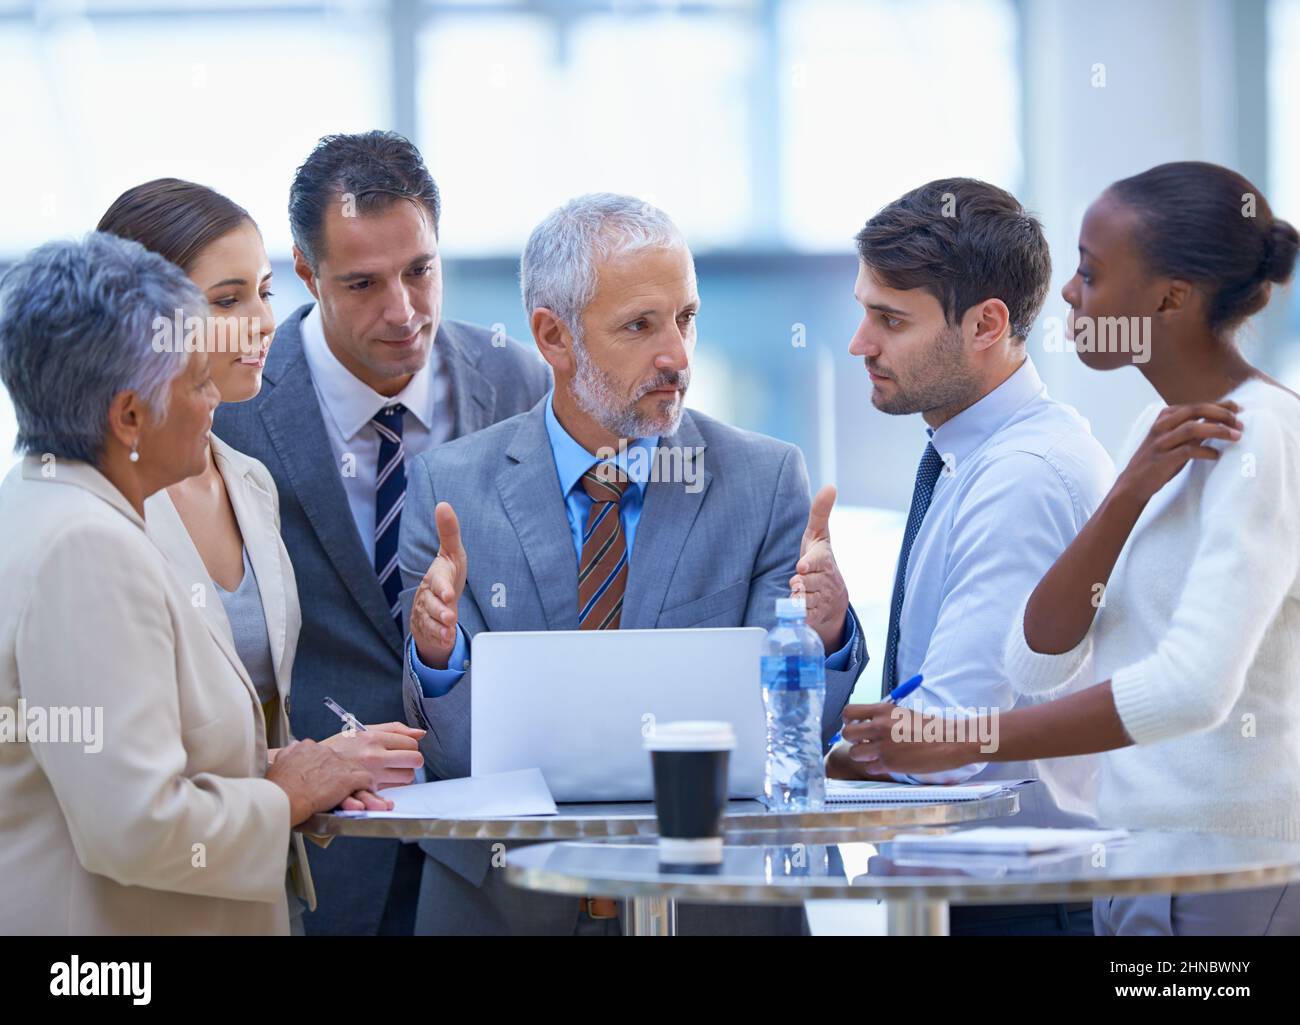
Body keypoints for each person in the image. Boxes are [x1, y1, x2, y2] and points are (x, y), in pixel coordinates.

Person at [839, 162, 1300, 936]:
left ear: (1169, 298)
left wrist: (962, 735)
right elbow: (1038, 661)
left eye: (1090, 271)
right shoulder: (1153, 439)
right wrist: (1124, 497)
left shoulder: (1264, 437)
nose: (1068, 295)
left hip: (1230, 876)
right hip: (1140, 871)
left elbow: (1194, 689)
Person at [399, 193, 868, 935]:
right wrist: (437, 653)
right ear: (553, 337)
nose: (678, 356)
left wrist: (825, 630)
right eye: (640, 326)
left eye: (685, 317)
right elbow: (459, 762)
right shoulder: (451, 488)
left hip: (714, 906)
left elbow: (788, 750)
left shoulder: (764, 480)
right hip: (502, 908)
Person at [214, 131, 551, 934]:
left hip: (488, 850)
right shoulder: (235, 410)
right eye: (363, 283)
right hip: (323, 853)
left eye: (419, 271)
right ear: (305, 272)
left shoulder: (516, 381)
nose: (403, 311)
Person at [0, 233, 378, 934]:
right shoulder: (88, 547)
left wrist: (290, 765)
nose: (215, 403)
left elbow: (104, 762)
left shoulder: (37, 504)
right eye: (198, 380)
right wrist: (281, 795)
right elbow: (137, 826)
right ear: (129, 416)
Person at [97, 178, 426, 933]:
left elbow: (248, 730)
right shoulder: (100, 509)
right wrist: (289, 786)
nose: (262, 324)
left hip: (252, 900)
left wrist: (323, 766)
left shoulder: (247, 481)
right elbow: (125, 789)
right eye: (225, 300)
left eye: (265, 292)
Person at [824, 178, 1115, 935]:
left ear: (987, 323)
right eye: (864, 312)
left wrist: (782, 751)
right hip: (980, 900)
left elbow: (944, 737)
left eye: (890, 320)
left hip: (1019, 911)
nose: (860, 343)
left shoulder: (1022, 477)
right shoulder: (974, 458)